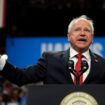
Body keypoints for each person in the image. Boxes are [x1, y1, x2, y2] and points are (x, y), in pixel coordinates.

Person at [0, 15, 105, 86]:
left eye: (87, 30)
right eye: (77, 29)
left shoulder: (102, 64)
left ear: (92, 37)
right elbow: (22, 77)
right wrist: (1, 64)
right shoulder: (50, 60)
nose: (82, 33)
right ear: (68, 36)